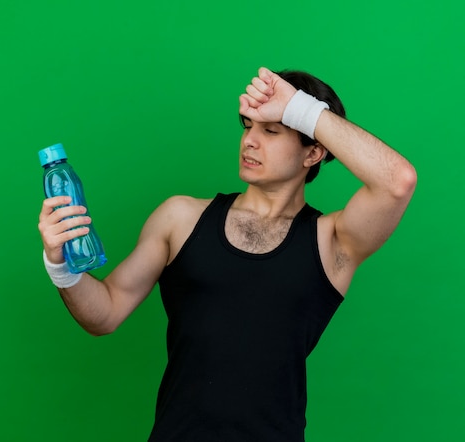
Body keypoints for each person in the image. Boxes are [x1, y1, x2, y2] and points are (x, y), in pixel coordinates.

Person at [38, 67, 417, 441]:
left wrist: (299, 109)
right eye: (248, 126)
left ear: (314, 152)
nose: (250, 140)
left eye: (271, 130)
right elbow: (104, 314)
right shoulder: (180, 217)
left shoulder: (332, 241)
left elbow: (397, 182)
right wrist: (60, 266)